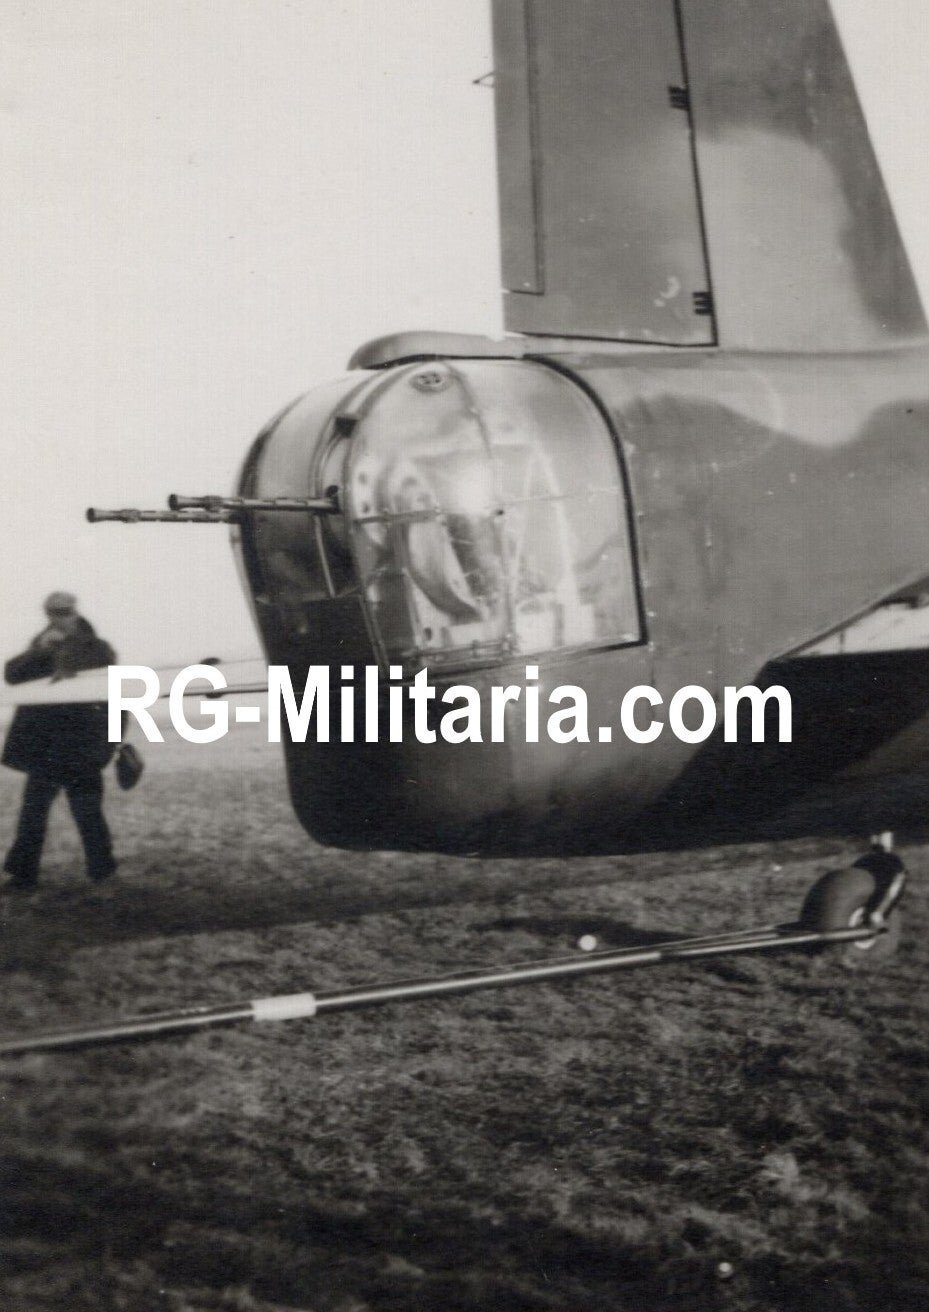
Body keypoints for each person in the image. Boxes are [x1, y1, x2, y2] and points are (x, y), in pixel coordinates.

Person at [2, 592, 117, 890]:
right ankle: (23, 875)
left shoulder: (98, 649)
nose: (58, 618)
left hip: (81, 745)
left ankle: (102, 872)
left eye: (64, 612)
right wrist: (39, 651)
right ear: (47, 614)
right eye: (53, 613)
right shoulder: (40, 646)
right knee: (33, 812)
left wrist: (110, 742)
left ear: (76, 613)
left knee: (88, 811)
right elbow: (12, 676)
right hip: (46, 748)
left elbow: (112, 690)